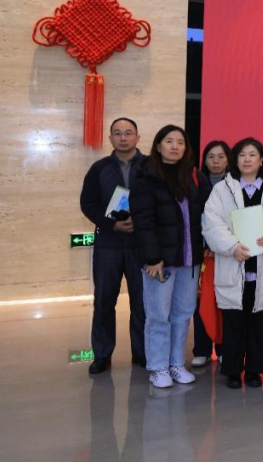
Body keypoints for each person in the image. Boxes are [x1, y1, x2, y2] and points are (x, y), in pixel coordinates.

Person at [203, 138, 263, 389]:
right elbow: (212, 223)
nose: (247, 159)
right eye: (242, 155)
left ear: (262, 160)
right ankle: (232, 370)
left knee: (260, 322)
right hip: (234, 262)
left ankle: (254, 370)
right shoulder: (222, 190)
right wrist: (232, 246)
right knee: (234, 322)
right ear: (235, 160)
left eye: (253, 155)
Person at [130, 125, 206, 389]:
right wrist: (152, 258)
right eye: (169, 141)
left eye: (180, 142)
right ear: (158, 145)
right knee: (158, 315)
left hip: (188, 259)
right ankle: (158, 367)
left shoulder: (193, 176)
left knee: (183, 314)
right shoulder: (145, 178)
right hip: (160, 262)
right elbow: (143, 221)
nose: (175, 146)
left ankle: (176, 363)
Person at [80, 118, 148, 374]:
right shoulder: (99, 168)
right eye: (117, 133)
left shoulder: (151, 167)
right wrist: (112, 224)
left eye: (128, 133)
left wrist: (141, 222)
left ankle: (142, 353)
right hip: (108, 244)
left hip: (142, 246)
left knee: (142, 302)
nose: (123, 137)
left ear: (137, 137)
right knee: (104, 301)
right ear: (110, 139)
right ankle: (102, 354)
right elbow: (88, 204)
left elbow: (160, 201)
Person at [191, 140, 231, 368]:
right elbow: (193, 219)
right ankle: (202, 350)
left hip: (228, 253)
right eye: (211, 157)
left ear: (228, 160)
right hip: (202, 254)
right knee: (201, 301)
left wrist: (221, 245)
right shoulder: (194, 183)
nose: (216, 162)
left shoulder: (236, 184)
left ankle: (224, 348)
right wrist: (204, 245)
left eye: (221, 157)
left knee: (225, 302)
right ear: (204, 161)